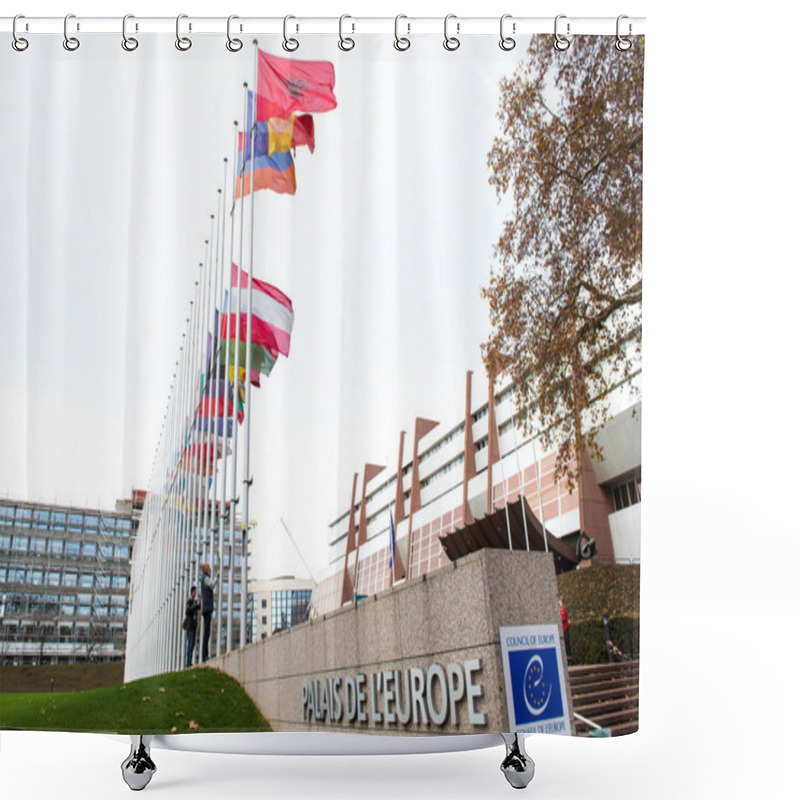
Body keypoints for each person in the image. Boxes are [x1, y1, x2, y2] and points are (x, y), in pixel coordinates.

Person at [200, 562, 218, 662]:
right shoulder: (205, 578)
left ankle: (205, 655)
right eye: (208, 567)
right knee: (206, 632)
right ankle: (204, 656)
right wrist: (217, 577)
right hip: (207, 607)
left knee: (207, 632)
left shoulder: (204, 577)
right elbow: (212, 584)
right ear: (205, 568)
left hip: (206, 607)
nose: (209, 568)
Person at [184, 586, 200, 668]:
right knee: (190, 643)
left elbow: (198, 608)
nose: (195, 593)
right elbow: (188, 610)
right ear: (192, 592)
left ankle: (189, 661)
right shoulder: (189, 601)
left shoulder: (195, 601)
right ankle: (188, 662)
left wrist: (198, 605)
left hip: (193, 625)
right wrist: (195, 606)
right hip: (190, 625)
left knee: (193, 643)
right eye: (194, 592)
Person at [560, 596, 572, 665]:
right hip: (561, 631)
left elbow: (563, 619)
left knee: (567, 645)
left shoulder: (564, 611)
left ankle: (569, 660)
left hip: (565, 630)